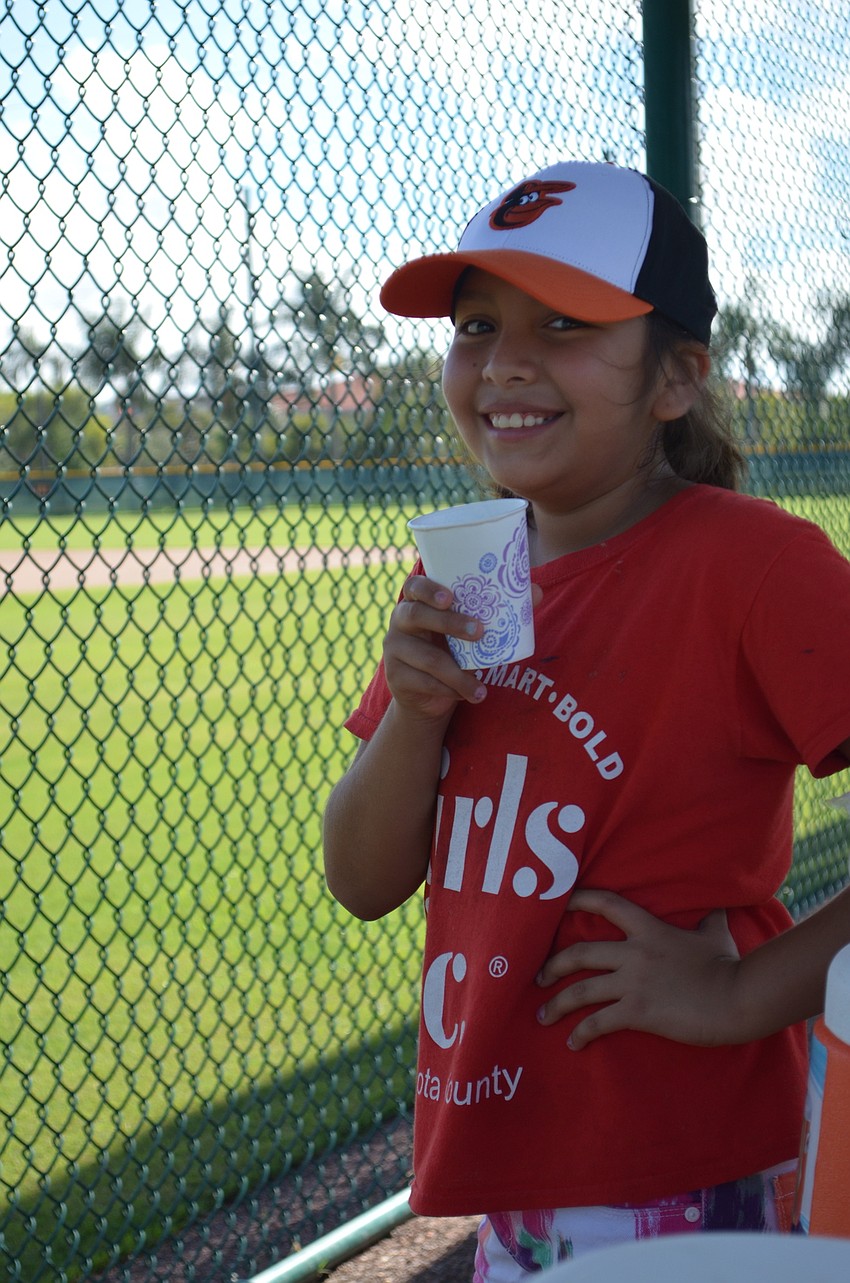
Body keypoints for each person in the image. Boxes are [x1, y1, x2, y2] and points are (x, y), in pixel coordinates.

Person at [322, 160, 850, 1279]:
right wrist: (414, 713)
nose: (505, 360)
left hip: (685, 1157)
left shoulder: (754, 566)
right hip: (516, 1168)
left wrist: (743, 989)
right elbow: (361, 878)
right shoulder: (472, 577)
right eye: (476, 322)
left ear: (675, 379)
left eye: (563, 321)